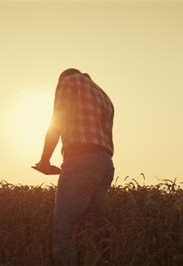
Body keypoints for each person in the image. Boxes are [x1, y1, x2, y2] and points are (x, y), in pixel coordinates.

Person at [34, 68, 115, 265]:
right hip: (104, 164)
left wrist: (44, 161)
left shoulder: (69, 82)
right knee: (97, 230)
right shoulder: (103, 95)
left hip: (81, 159)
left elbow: (58, 122)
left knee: (63, 230)